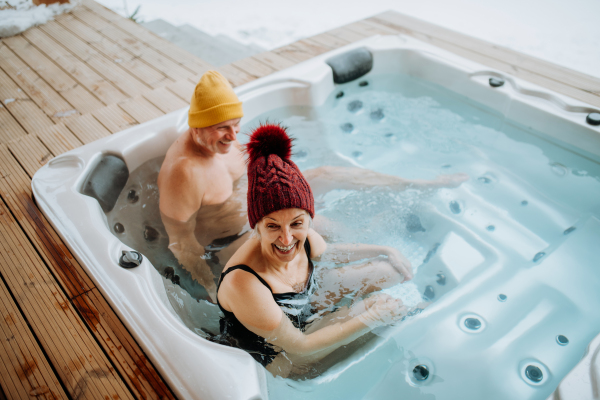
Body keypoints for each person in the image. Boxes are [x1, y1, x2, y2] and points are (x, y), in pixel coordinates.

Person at [158, 70, 468, 302]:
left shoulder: (223, 139)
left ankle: (416, 186)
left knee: (327, 174)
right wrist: (212, 288)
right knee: (310, 242)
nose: (232, 135)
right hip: (228, 244)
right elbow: (181, 243)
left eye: (236, 125)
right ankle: (338, 285)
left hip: (261, 215)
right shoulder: (184, 173)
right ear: (196, 128)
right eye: (221, 128)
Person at [216, 124, 423, 377]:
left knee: (388, 271)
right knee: (379, 309)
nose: (287, 238)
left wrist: (384, 249)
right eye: (272, 226)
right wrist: (373, 317)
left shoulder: (296, 231)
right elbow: (300, 346)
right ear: (256, 227)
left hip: (300, 309)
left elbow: (330, 253)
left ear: (307, 218)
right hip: (279, 354)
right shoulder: (245, 283)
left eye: (297, 223)